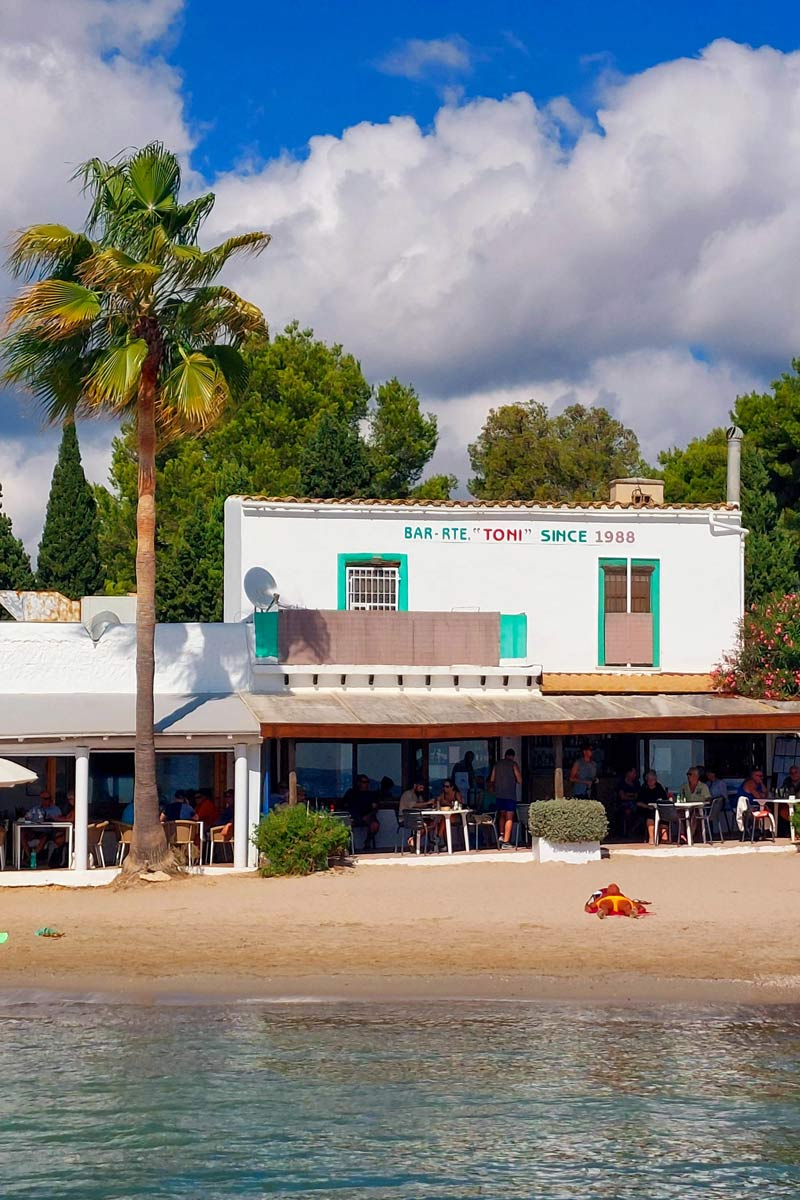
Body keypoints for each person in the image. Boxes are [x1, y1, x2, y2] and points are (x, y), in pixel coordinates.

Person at [489, 749, 522, 848]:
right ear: (512, 756)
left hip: (499, 795)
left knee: (502, 815)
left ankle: (502, 836)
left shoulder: (497, 765)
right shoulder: (513, 764)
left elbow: (492, 779)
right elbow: (520, 780)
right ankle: (506, 842)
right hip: (510, 795)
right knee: (509, 817)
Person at [679, 766, 711, 841]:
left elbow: (708, 798)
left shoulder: (703, 786)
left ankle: (690, 836)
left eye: (690, 774)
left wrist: (703, 801)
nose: (688, 776)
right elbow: (679, 796)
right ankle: (682, 834)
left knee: (695, 814)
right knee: (677, 814)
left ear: (696, 776)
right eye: (687, 774)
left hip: (698, 809)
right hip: (685, 808)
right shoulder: (684, 786)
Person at [637, 770, 668, 844]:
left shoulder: (659, 787)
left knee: (665, 815)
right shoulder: (644, 788)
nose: (651, 781)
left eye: (653, 779)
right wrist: (647, 806)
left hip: (659, 808)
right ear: (646, 780)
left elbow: (665, 799)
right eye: (649, 780)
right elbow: (638, 802)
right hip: (647, 809)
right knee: (650, 815)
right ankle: (652, 837)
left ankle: (664, 837)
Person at [735, 768, 768, 834]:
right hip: (745, 808)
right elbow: (758, 796)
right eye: (758, 776)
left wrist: (761, 783)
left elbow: (766, 793)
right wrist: (762, 794)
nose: (761, 778)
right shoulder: (750, 783)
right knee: (766, 809)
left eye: (761, 776)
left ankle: (761, 830)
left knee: (767, 808)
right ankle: (757, 830)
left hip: (753, 805)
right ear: (752, 776)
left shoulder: (758, 783)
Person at [614, 767, 640, 837]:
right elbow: (622, 797)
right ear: (628, 773)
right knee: (628, 810)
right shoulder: (621, 783)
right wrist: (631, 795)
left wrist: (628, 794)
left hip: (635, 803)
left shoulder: (636, 783)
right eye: (633, 773)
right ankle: (626, 832)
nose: (635, 775)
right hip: (622, 804)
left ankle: (633, 830)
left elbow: (637, 796)